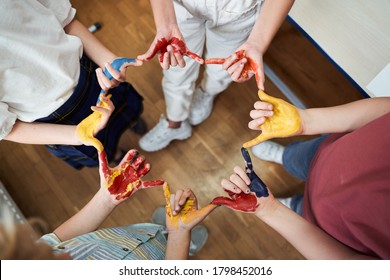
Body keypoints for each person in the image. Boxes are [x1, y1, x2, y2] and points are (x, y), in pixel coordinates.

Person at [212, 94, 390, 259]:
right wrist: (306, 121)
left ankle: (291, 206)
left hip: (326, 229)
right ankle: (284, 156)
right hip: (330, 153)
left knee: (302, 209)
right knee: (297, 157)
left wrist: (271, 210)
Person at [0, 0, 145, 169]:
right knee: (100, 147)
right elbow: (8, 128)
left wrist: (109, 62)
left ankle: (130, 120)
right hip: (54, 121)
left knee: (122, 107)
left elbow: (64, 19)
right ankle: (116, 154)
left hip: (87, 72)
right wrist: (77, 134)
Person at [0, 149, 217, 260]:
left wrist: (105, 199)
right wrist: (180, 235)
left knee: (156, 231)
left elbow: (59, 239)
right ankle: (183, 246)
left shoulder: (29, 260)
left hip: (135, 235)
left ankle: (161, 231)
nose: (67, 255)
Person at [137, 0, 295, 152]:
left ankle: (206, 93)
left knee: (226, 67)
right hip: (179, 5)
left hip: (238, 9)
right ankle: (175, 122)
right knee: (176, 68)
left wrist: (257, 44)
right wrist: (166, 24)